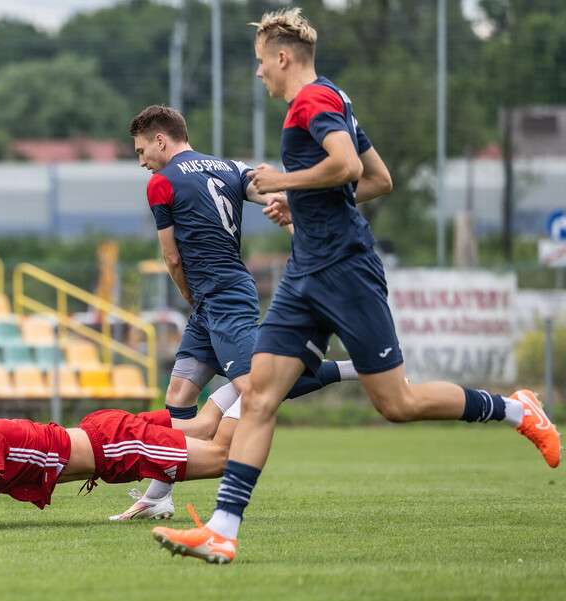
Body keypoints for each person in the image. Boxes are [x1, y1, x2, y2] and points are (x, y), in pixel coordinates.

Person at [152, 7, 562, 565]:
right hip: (304, 273)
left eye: (259, 64)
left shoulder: (312, 101)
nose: (258, 76)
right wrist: (297, 204)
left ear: (282, 57)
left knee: (397, 403)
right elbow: (380, 179)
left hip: (345, 269)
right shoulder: (333, 98)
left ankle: (515, 409)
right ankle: (223, 531)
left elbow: (347, 168)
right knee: (259, 396)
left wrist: (284, 180)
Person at [113, 104, 358, 521]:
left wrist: (192, 298)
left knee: (255, 386)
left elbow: (172, 259)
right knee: (179, 395)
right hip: (220, 296)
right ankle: (158, 496)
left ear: (160, 140)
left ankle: (357, 368)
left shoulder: (161, 183)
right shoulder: (228, 166)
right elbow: (269, 193)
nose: (141, 162)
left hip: (219, 296)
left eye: (141, 151)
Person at [0, 392, 242, 531]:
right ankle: (257, 375)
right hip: (102, 434)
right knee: (205, 424)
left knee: (222, 456)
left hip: (116, 445)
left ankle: (263, 377)